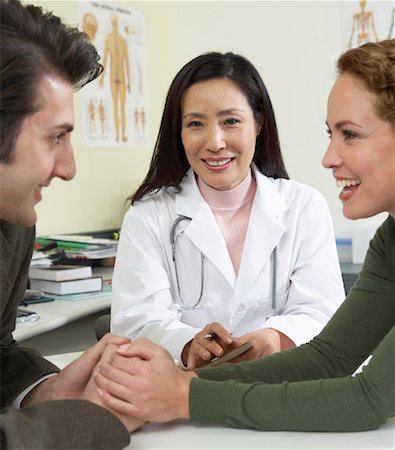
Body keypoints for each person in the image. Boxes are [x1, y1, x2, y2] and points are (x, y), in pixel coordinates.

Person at [94, 38, 395, 431]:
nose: (328, 158)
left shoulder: (301, 205)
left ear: (258, 124)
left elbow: (367, 399)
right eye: (330, 134)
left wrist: (186, 396)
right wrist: (181, 380)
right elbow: (329, 358)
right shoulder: (389, 241)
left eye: (350, 135)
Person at [111, 51, 345, 369]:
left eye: (230, 121)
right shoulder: (148, 216)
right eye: (195, 124)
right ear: (178, 133)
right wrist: (186, 345)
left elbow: (323, 312)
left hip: (278, 382)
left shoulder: (304, 207)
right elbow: (135, 322)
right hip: (184, 388)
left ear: (259, 123)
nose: (215, 142)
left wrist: (275, 336)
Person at [0, 1, 142, 448]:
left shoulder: (14, 221)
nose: (69, 168)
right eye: (55, 137)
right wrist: (90, 421)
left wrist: (44, 390)